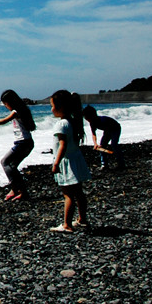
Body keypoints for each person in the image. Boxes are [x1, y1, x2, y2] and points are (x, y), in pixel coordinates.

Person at [0, 89, 36, 201]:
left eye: (5, 103)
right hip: (27, 143)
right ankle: (18, 190)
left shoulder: (16, 111)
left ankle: (18, 189)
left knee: (4, 162)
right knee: (12, 166)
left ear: (11, 102)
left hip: (23, 143)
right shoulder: (23, 110)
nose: (5, 106)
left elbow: (4, 121)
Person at [49, 90, 91, 232]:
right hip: (75, 159)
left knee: (68, 195)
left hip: (66, 162)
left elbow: (63, 145)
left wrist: (56, 163)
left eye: (52, 106)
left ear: (61, 107)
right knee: (79, 192)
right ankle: (82, 219)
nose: (51, 109)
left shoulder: (62, 124)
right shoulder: (73, 121)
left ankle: (67, 225)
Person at [82, 105, 125, 170]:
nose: (87, 120)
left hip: (115, 128)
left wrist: (102, 143)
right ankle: (104, 164)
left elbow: (108, 132)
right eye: (86, 118)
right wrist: (95, 144)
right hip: (107, 130)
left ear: (93, 115)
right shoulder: (92, 123)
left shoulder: (102, 120)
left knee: (114, 145)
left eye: (88, 118)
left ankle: (121, 163)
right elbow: (93, 134)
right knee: (102, 148)